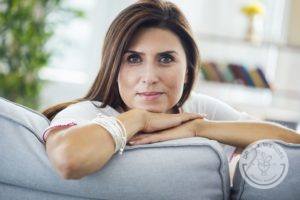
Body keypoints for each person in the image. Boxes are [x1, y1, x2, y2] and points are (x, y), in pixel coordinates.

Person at [42, 0, 300, 180]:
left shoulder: (197, 110)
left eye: (166, 59)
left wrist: (198, 128)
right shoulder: (88, 113)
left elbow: (292, 145)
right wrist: (138, 118)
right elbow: (68, 161)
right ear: (113, 67)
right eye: (133, 59)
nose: (150, 77)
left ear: (187, 70)